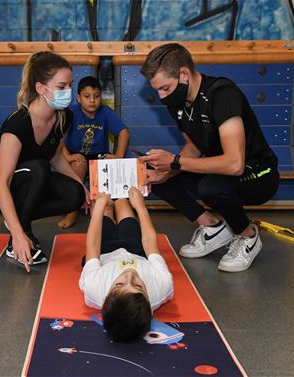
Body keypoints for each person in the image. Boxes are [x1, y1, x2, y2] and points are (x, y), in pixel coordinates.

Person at [139, 43, 279, 272]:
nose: (161, 96)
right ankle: (213, 228)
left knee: (210, 187)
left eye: (164, 88)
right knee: (157, 180)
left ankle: (248, 235)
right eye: (157, 90)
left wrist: (175, 162)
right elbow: (193, 147)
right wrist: (165, 170)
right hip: (218, 172)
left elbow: (234, 164)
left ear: (184, 74)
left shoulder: (222, 93)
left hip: (259, 173)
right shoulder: (178, 102)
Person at [0, 51, 88, 272]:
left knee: (74, 194)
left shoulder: (64, 117)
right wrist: (17, 234)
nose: (69, 92)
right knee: (38, 167)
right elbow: (1, 181)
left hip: (29, 178)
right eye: (61, 86)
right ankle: (17, 237)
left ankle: (17, 222)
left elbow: (55, 156)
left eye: (70, 86)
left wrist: (82, 187)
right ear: (40, 88)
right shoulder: (18, 124)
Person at [79, 188, 173, 342]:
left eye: (119, 284)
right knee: (123, 203)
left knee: (106, 207)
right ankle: (120, 197)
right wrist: (140, 207)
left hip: (105, 254)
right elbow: (149, 242)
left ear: (106, 296)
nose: (130, 274)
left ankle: (107, 206)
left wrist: (98, 209)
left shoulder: (94, 287)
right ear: (150, 303)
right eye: (138, 286)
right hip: (136, 251)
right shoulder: (162, 285)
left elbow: (93, 245)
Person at [58, 76, 130, 229]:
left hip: (99, 155)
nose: (92, 100)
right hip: (76, 154)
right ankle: (72, 211)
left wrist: (118, 156)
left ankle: (105, 212)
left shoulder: (105, 112)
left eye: (96, 96)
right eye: (87, 96)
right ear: (78, 98)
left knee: (107, 169)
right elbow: (59, 136)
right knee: (78, 164)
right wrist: (68, 157)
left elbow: (123, 132)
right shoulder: (71, 112)